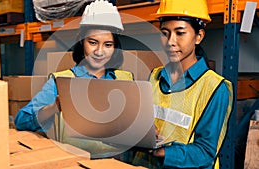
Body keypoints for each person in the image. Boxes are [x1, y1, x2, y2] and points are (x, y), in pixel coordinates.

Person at [14, 0, 134, 159]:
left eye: (108, 45)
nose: (100, 51)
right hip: (77, 163)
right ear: (82, 42)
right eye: (92, 42)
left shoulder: (125, 80)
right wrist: (54, 106)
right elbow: (21, 121)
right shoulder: (60, 82)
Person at [132, 0, 233, 168]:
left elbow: (205, 153)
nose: (170, 41)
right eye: (165, 33)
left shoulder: (215, 88)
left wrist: (163, 152)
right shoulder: (155, 76)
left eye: (180, 33)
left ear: (198, 36)